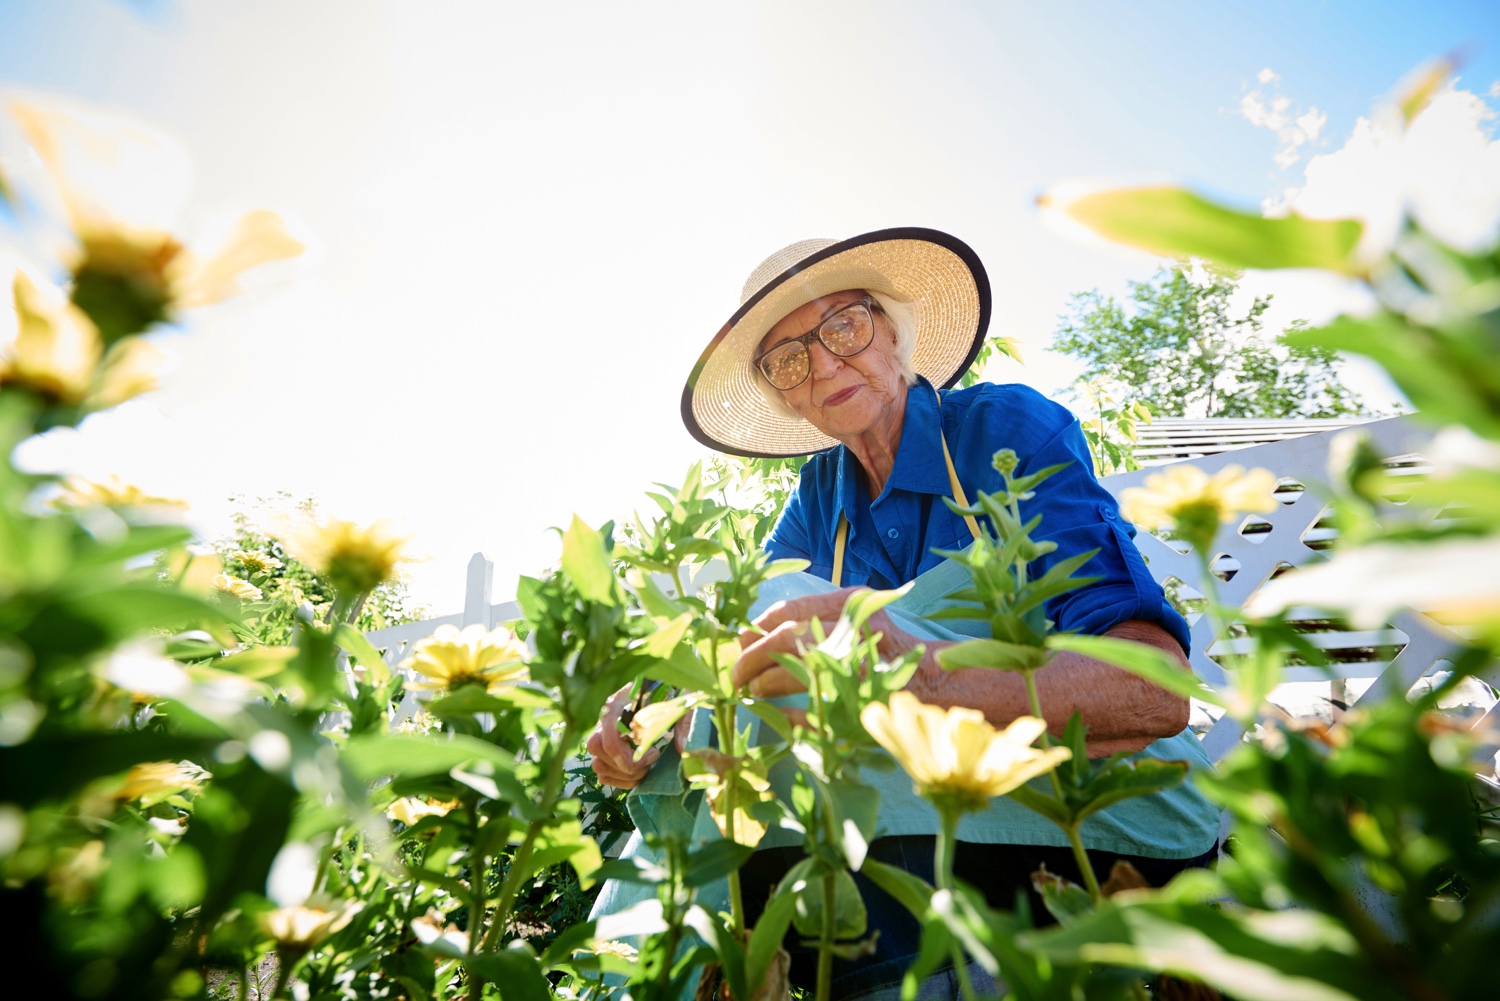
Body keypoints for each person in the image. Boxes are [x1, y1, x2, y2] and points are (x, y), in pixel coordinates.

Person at [587, 229, 1219, 1000]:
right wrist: (655, 722)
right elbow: (745, 654)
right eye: (788, 360)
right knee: (758, 662)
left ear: (894, 329)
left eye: (842, 325)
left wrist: (920, 676)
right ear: (785, 396)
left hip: (1098, 817)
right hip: (926, 833)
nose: (821, 363)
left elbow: (1157, 691)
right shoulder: (821, 499)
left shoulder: (1006, 431)